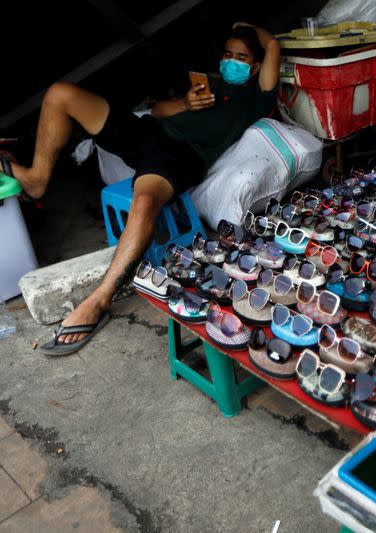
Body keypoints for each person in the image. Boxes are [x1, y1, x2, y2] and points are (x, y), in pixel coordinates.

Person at [3, 21, 280, 356]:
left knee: (145, 201)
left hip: (181, 157)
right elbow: (160, 111)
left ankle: (99, 299)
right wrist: (186, 104)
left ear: (254, 67)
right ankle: (35, 180)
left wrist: (249, 27)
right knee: (60, 94)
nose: (230, 61)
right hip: (149, 134)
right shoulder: (210, 81)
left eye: (241, 57)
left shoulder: (256, 96)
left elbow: (273, 46)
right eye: (227, 53)